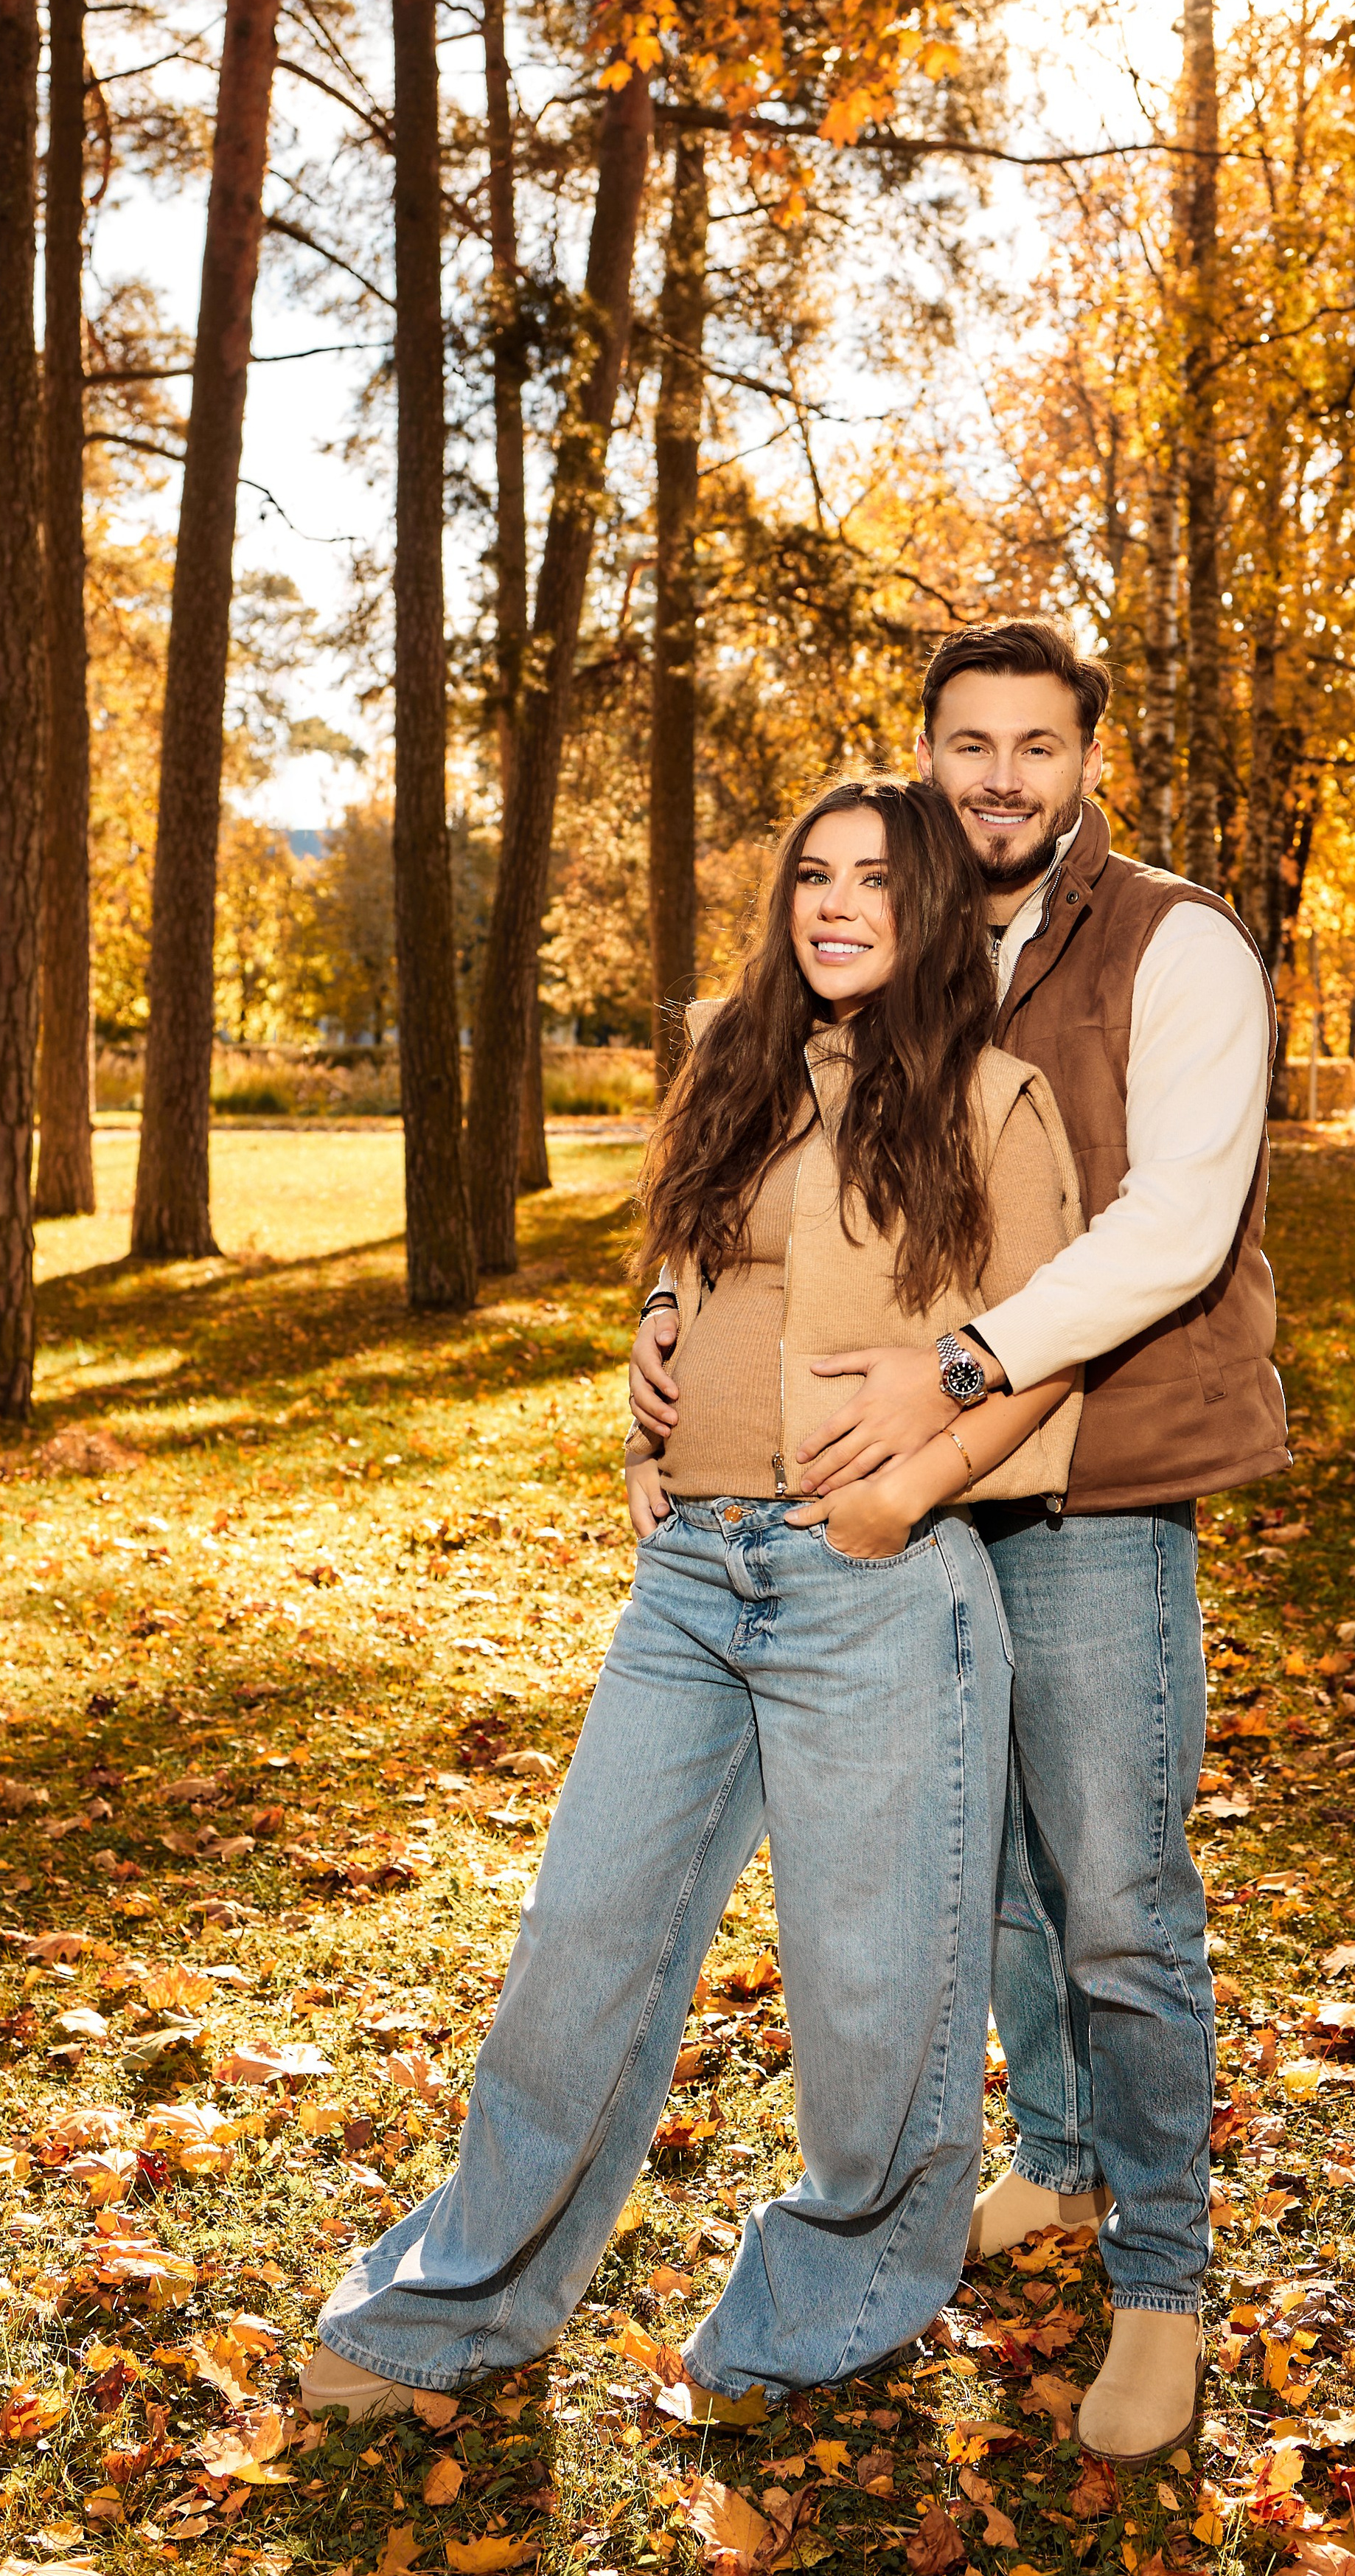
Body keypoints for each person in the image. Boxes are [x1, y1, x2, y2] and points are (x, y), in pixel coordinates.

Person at [302, 777, 1084, 2420]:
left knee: (872, 1997)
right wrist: (644, 1394)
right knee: (580, 1944)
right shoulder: (733, 1058)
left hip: (874, 1586)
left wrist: (906, 1492)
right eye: (813, 876)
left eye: (876, 879)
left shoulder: (994, 1098)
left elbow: (1048, 1345)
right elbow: (686, 1270)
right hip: (688, 1576)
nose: (836, 904)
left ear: (935, 908)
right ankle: (458, 2306)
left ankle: (829, 2309)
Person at [633, 621, 1289, 2465]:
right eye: (968, 743)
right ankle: (1060, 2162)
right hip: (892, 1496)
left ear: (1085, 761)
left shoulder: (1173, 943)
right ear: (926, 753)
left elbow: (1174, 1223)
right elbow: (763, 1168)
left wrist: (961, 1364)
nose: (1000, 776)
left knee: (1115, 1889)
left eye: (1037, 744)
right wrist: (669, 1322)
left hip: (1090, 1480)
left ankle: (1159, 2275)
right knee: (986, 1874)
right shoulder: (893, 938)